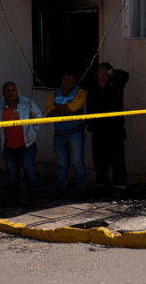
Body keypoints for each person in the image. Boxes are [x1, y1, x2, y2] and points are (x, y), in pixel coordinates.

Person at [85, 63, 130, 199]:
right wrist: (88, 124)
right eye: (100, 72)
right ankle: (101, 185)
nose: (102, 75)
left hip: (114, 129)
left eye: (105, 72)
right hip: (98, 129)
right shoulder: (93, 87)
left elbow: (125, 75)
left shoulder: (116, 84)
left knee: (117, 159)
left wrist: (113, 71)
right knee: (99, 159)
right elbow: (90, 106)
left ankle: (119, 186)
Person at [0, 82, 42, 209]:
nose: (11, 93)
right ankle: (14, 198)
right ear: (4, 93)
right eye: (8, 91)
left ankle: (32, 198)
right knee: (12, 174)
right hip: (8, 147)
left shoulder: (26, 102)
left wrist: (32, 130)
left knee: (29, 172)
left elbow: (39, 115)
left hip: (26, 146)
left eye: (13, 90)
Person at [47, 71, 87, 201]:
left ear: (75, 81)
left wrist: (58, 110)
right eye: (64, 78)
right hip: (59, 134)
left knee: (77, 163)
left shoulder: (80, 92)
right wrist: (66, 109)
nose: (66, 81)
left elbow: (75, 107)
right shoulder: (55, 92)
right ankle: (61, 190)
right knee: (62, 164)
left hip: (75, 133)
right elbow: (48, 112)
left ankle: (82, 190)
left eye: (69, 79)